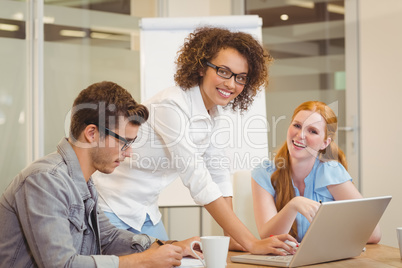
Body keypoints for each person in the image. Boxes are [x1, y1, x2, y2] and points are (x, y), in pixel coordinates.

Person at [93, 26, 297, 255]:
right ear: (201, 67)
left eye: (240, 77)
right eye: (223, 71)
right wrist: (251, 242)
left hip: (146, 213)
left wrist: (230, 237)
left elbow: (218, 174)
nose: (231, 84)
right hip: (110, 208)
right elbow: (197, 177)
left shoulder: (213, 113)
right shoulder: (172, 105)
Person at [0, 81, 201, 268]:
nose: (129, 152)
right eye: (124, 142)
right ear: (92, 133)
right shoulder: (44, 180)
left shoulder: (83, 181)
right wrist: (144, 260)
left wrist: (170, 245)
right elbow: (61, 264)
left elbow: (109, 237)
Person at [251, 101, 381, 243]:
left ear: (325, 143)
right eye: (297, 125)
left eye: (312, 131)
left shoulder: (331, 172)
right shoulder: (264, 173)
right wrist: (294, 205)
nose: (300, 135)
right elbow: (268, 237)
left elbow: (373, 234)